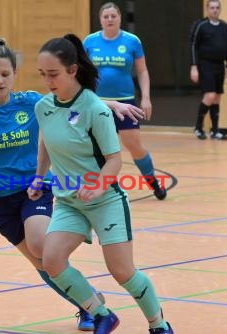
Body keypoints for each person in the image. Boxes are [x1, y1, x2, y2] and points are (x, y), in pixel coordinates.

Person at [0, 38, 103, 331]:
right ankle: (89, 303)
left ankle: (77, 229)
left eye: (5, 74)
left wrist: (109, 106)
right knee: (43, 265)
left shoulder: (30, 102)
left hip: (34, 189)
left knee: (41, 246)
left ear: (14, 74)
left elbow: (72, 103)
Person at [29, 34, 174, 334]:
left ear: (72, 70)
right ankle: (101, 314)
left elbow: (114, 160)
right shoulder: (43, 107)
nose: (47, 81)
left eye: (53, 74)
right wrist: (39, 177)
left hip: (105, 200)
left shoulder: (96, 109)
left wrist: (96, 185)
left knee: (122, 271)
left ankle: (159, 327)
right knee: (51, 260)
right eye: (43, 74)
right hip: (69, 201)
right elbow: (45, 144)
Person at [84, 2, 167, 200]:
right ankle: (102, 187)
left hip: (126, 101)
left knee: (134, 144)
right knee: (98, 148)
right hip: (99, 103)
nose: (110, 20)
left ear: (120, 18)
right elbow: (82, 71)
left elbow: (142, 70)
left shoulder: (132, 41)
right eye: (106, 16)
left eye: (113, 16)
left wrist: (145, 98)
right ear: (100, 19)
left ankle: (152, 182)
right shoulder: (90, 42)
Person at [190, 0, 227, 140]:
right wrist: (194, 66)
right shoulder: (201, 25)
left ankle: (215, 131)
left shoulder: (223, 26)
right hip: (205, 64)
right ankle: (198, 127)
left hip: (219, 65)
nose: (215, 10)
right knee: (210, 95)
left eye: (217, 8)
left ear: (220, 9)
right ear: (207, 9)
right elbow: (193, 46)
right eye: (212, 8)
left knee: (217, 98)